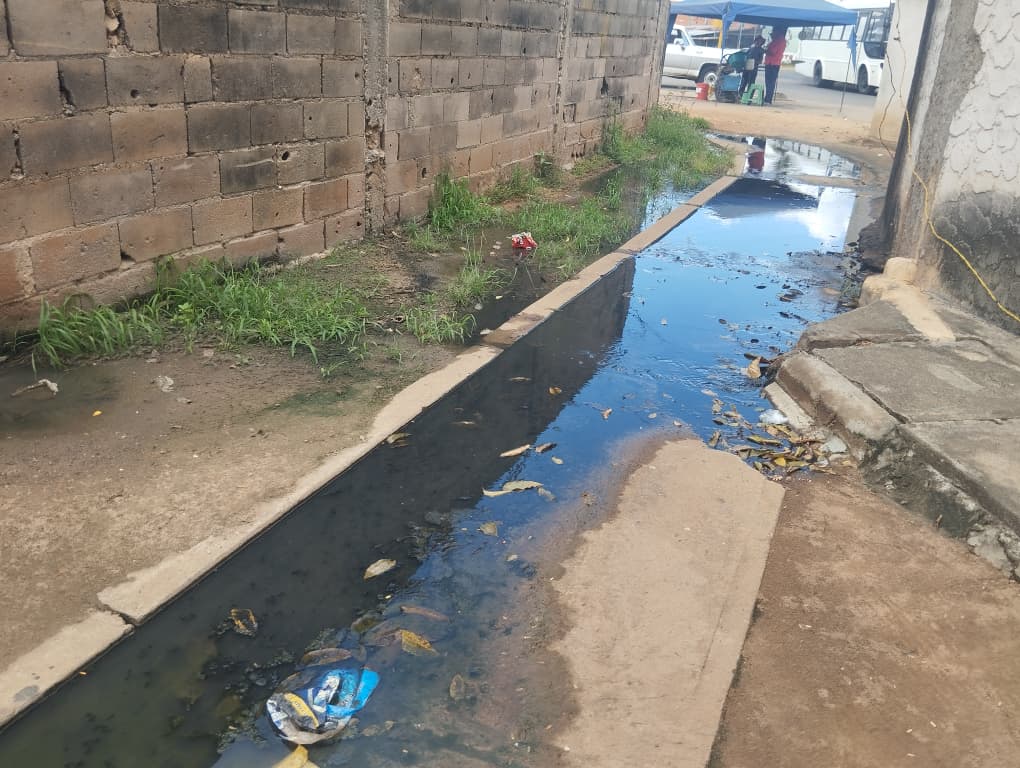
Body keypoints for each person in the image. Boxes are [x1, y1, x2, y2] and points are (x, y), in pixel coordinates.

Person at [762, 27, 788, 105]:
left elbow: (772, 52)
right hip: (773, 63)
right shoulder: (778, 40)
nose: (772, 35)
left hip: (772, 63)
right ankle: (767, 98)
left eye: (772, 34)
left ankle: (768, 99)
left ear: (777, 32)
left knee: (770, 82)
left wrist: (764, 50)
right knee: (770, 82)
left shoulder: (778, 41)